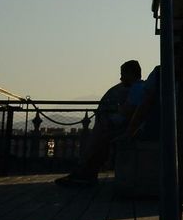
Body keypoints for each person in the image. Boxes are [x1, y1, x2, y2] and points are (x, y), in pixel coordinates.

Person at [55, 59, 142, 187]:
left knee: (100, 134)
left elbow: (127, 113)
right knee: (101, 135)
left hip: (131, 129)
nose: (121, 78)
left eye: (123, 74)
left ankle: (84, 171)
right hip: (132, 127)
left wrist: (112, 118)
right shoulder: (139, 89)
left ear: (130, 74)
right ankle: (86, 172)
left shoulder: (136, 89)